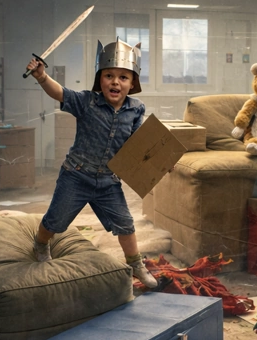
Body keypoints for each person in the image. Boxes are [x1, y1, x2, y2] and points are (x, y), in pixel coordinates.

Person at [25, 39, 158, 289]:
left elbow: (137, 145)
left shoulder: (136, 109)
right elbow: (60, 92)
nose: (115, 82)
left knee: (126, 224)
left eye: (123, 77)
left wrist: (160, 161)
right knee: (55, 220)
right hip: (76, 176)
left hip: (108, 181)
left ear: (132, 83)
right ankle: (41, 244)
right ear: (100, 79)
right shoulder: (87, 102)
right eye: (109, 76)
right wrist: (42, 77)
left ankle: (135, 264)